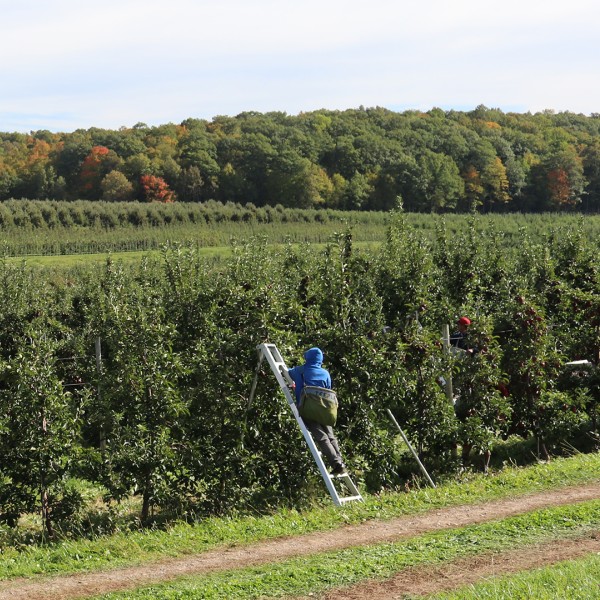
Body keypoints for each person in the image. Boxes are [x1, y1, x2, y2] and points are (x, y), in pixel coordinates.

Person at [287, 347, 347, 475]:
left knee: (321, 437)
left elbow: (287, 373)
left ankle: (336, 463)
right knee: (330, 436)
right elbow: (327, 388)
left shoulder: (301, 370)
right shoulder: (325, 373)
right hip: (326, 408)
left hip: (308, 408)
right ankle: (340, 461)